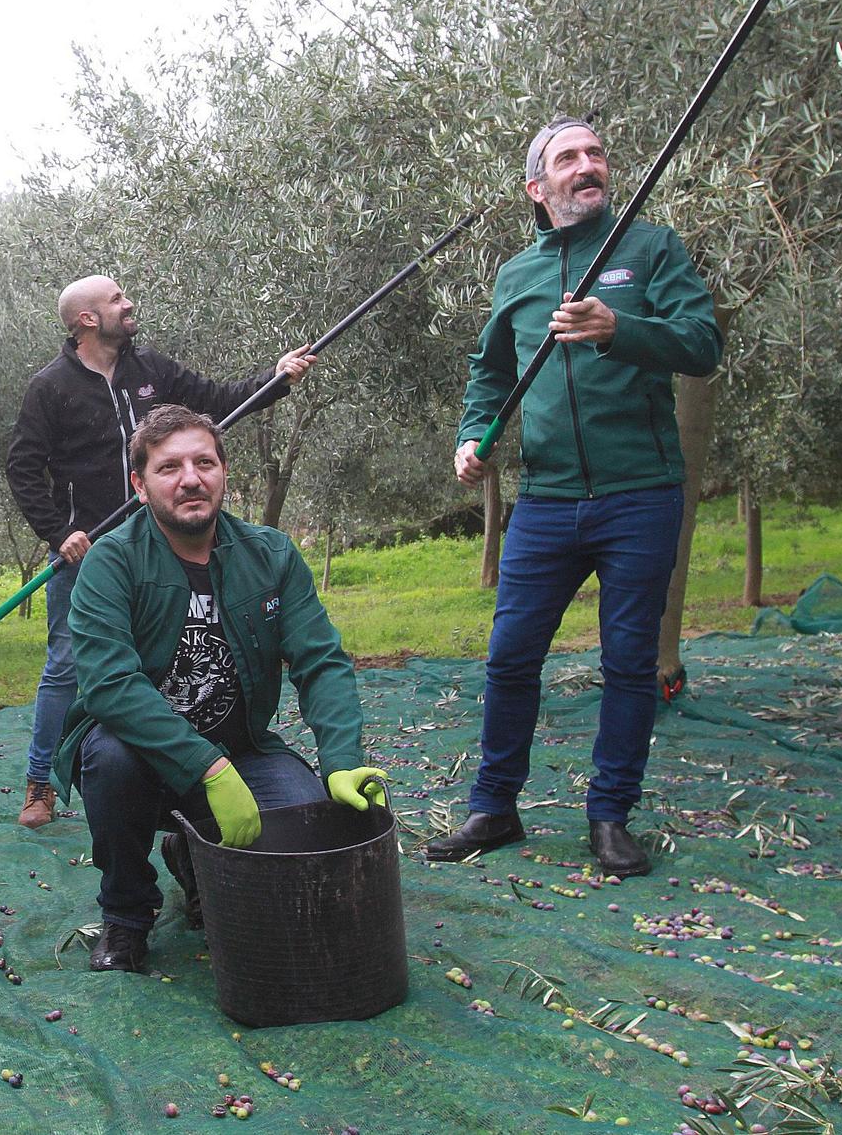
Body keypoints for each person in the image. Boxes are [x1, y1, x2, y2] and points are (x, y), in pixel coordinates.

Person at [429, 117, 721, 878]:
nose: (588, 166)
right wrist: (473, 434)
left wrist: (619, 327)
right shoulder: (518, 275)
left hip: (640, 493)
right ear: (539, 187)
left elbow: (701, 343)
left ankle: (610, 815)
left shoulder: (650, 248)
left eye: (596, 154)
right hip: (548, 498)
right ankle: (495, 807)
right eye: (568, 158)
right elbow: (491, 371)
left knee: (628, 662)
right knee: (509, 655)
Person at [54, 405, 389, 973]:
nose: (190, 479)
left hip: (244, 751)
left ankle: (193, 855)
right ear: (139, 485)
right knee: (109, 759)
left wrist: (339, 761)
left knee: (308, 826)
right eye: (169, 468)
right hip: (145, 758)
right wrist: (207, 768)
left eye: (204, 462)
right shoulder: (111, 562)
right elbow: (110, 685)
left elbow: (322, 662)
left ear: (224, 472)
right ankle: (127, 916)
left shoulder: (271, 555)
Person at [5, 274, 316, 829]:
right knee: (68, 666)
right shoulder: (49, 386)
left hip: (163, 542)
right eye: (117, 299)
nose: (129, 304)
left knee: (175, 656)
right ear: (86, 320)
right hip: (90, 553)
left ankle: (199, 765)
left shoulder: (151, 369)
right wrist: (59, 533)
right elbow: (24, 468)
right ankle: (41, 783)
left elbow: (218, 401)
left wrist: (274, 378)